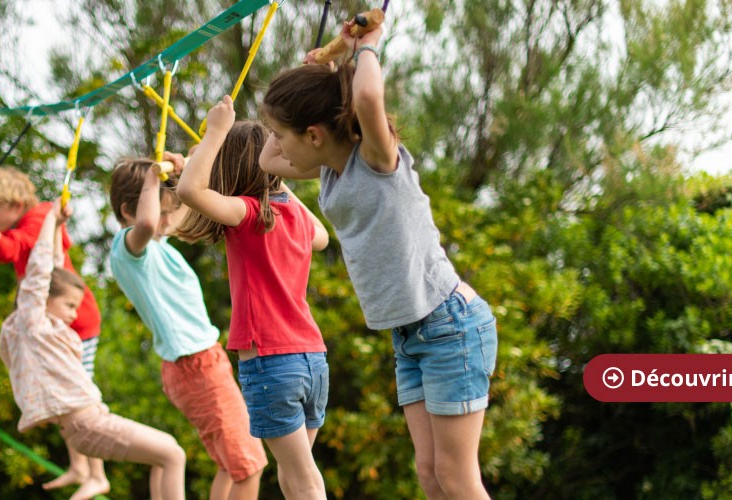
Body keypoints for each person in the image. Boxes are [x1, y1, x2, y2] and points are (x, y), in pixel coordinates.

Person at [258, 20, 499, 500]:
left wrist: (364, 47)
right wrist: (321, 67)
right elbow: (268, 162)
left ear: (313, 134)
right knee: (430, 475)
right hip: (410, 334)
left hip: (449, 325)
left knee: (456, 478)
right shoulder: (328, 170)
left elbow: (368, 100)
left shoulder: (377, 159)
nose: (277, 143)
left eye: (282, 134)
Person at [176, 98, 331, 499]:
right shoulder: (294, 218)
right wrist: (276, 178)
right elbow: (323, 237)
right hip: (312, 359)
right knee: (293, 474)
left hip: (271, 363)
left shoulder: (247, 215)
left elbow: (191, 190)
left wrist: (215, 132)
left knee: (304, 480)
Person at [0, 201, 187, 500]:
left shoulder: (42, 333)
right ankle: (95, 477)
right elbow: (40, 273)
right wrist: (48, 220)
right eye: (69, 306)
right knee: (173, 454)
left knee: (163, 458)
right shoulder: (34, 325)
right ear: (43, 301)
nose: (75, 314)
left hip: (85, 425)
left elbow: (55, 269)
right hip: (87, 423)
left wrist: (59, 224)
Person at [107, 153, 268, 500]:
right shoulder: (129, 249)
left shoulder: (158, 245)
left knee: (234, 464)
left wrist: (186, 168)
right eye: (160, 210)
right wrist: (151, 179)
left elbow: (186, 206)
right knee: (249, 464)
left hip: (204, 363)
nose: (166, 220)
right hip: (194, 366)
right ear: (126, 212)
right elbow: (148, 223)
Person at [0, 168, 108, 497]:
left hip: (74, 322)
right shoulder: (40, 218)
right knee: (64, 396)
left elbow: (6, 251)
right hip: (55, 324)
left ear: (14, 203)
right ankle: (80, 466)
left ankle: (97, 473)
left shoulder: (39, 215)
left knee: (78, 395)